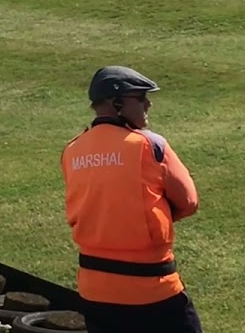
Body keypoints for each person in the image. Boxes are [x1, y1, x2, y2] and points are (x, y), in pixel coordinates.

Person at [60, 65, 203, 333]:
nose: (148, 104)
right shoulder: (150, 145)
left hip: (94, 290)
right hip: (153, 289)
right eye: (140, 98)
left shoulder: (72, 150)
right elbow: (189, 202)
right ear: (116, 103)